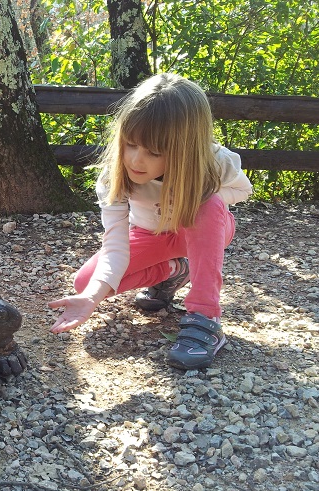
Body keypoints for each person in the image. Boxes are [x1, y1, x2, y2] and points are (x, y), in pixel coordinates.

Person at [48, 73, 252, 370]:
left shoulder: (215, 161)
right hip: (150, 234)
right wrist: (91, 298)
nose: (136, 161)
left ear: (184, 149)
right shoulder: (114, 176)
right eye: (131, 144)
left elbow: (242, 191)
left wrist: (189, 194)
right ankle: (176, 270)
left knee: (208, 203)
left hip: (200, 231)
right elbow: (116, 246)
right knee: (85, 283)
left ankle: (206, 316)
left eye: (154, 152)